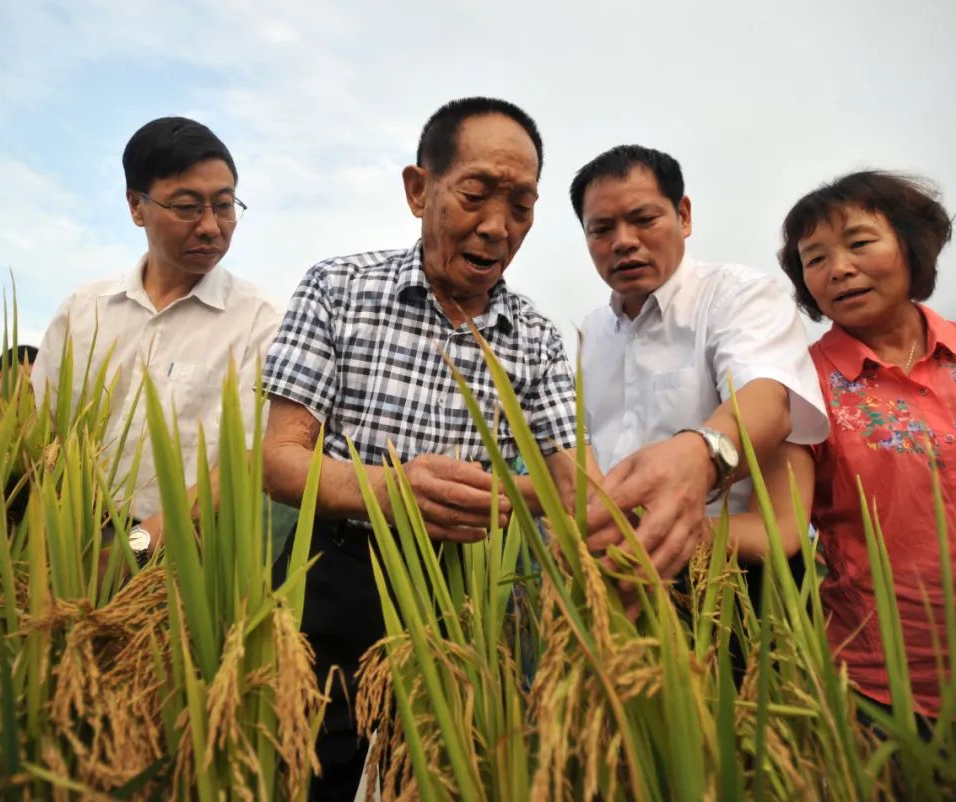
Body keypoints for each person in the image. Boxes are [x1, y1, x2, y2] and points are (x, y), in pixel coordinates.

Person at [261, 97, 588, 800]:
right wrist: (392, 489)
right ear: (419, 189)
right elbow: (281, 460)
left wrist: (480, 497)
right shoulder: (339, 289)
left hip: (461, 595)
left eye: (521, 206)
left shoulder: (535, 337)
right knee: (302, 773)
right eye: (476, 194)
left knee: (440, 777)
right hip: (333, 576)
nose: (497, 226)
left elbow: (571, 484)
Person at [777, 170, 956, 786]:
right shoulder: (800, 390)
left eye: (859, 243)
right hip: (904, 700)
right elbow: (782, 523)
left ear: (911, 244)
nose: (839, 269)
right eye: (815, 259)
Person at [571, 145, 828, 584]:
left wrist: (701, 453)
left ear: (683, 216)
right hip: (617, 571)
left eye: (644, 219)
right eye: (601, 229)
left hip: (732, 577)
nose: (623, 241)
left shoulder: (738, 297)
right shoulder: (591, 333)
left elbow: (767, 399)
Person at [30, 117, 281, 562]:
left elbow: (246, 461)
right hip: (63, 541)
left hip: (187, 557)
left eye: (224, 205)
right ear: (136, 206)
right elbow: (38, 433)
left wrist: (133, 549)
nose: (211, 226)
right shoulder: (83, 311)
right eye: (187, 207)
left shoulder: (260, 323)